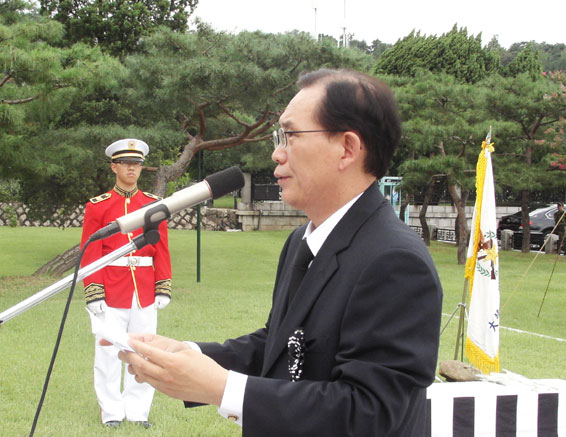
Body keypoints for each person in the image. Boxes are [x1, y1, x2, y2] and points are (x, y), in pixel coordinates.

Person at [117, 69, 443, 436]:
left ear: (347, 148)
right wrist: (189, 356)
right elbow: (280, 347)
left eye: (290, 135)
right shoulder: (304, 240)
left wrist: (222, 388)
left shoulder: (395, 261)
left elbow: (371, 413)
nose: (277, 153)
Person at [80, 138, 172, 429]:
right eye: (125, 163)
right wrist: (94, 291)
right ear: (114, 167)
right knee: (107, 352)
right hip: (110, 287)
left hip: (143, 288)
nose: (131, 168)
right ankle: (111, 411)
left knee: (144, 351)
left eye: (136, 164)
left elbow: (161, 247)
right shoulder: (98, 206)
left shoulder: (153, 204)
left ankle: (138, 411)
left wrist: (163, 285)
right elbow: (90, 251)